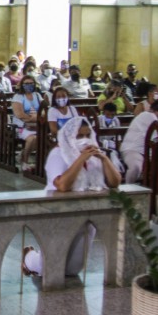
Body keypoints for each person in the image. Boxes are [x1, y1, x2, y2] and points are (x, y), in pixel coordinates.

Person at [22, 117, 121, 277]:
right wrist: (80, 159)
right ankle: (29, 257)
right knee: (48, 268)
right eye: (79, 136)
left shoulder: (95, 157)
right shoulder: (58, 154)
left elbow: (115, 182)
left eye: (87, 135)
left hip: (86, 217)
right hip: (58, 214)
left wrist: (103, 158)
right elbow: (62, 185)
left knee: (72, 270)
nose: (84, 140)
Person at [120, 98, 158, 183]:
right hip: (133, 149)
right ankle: (127, 190)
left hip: (147, 152)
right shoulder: (147, 115)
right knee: (135, 167)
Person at [12, 76, 43, 171]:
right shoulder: (18, 97)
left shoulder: (37, 95)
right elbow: (19, 114)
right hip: (21, 126)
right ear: (22, 85)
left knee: (43, 138)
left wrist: (37, 118)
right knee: (32, 138)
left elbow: (43, 110)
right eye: (26, 83)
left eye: (31, 83)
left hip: (36, 124)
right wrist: (32, 118)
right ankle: (24, 161)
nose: (29, 85)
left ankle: (23, 154)